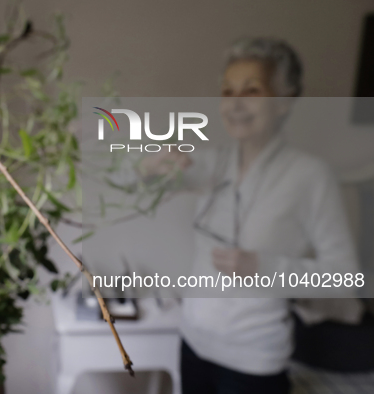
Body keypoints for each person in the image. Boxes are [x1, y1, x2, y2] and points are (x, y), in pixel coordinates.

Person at [139, 38, 358, 394]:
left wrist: (265, 267)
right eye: (227, 91)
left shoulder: (310, 177)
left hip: (253, 363)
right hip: (193, 346)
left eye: (252, 90)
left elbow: (345, 278)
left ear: (284, 101)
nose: (235, 103)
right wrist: (148, 167)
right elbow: (145, 187)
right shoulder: (213, 163)